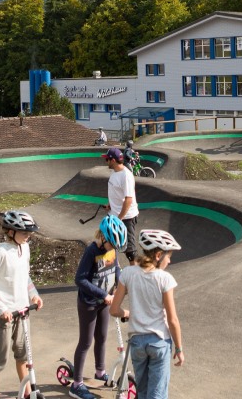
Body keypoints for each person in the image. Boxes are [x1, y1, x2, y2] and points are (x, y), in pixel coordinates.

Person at [0, 210, 45, 399]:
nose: (28, 236)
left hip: (23, 312)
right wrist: (1, 309)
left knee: (23, 357)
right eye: (25, 233)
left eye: (29, 233)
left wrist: (34, 295)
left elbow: (25, 277)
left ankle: (28, 394)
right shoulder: (1, 252)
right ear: (10, 232)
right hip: (5, 316)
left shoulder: (25, 248)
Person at [109, 229, 185, 399]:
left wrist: (129, 313)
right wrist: (179, 348)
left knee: (142, 393)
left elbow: (114, 310)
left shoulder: (128, 273)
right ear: (158, 255)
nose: (170, 261)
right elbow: (172, 320)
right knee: (157, 395)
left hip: (137, 342)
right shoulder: (164, 279)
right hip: (158, 342)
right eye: (168, 256)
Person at [68, 215, 128, 399]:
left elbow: (116, 269)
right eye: (112, 244)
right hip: (89, 303)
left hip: (104, 302)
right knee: (86, 342)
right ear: (102, 238)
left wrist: (122, 283)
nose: (113, 249)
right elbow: (80, 279)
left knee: (101, 338)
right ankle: (76, 384)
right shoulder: (91, 252)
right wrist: (104, 295)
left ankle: (100, 372)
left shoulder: (112, 250)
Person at [103, 148, 140, 261]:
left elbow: (128, 200)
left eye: (107, 160)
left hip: (126, 218)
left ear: (113, 160)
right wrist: (110, 204)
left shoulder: (126, 176)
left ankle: (134, 276)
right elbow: (117, 192)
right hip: (114, 215)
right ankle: (113, 272)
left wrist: (119, 220)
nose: (106, 162)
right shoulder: (115, 173)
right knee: (109, 244)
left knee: (130, 252)